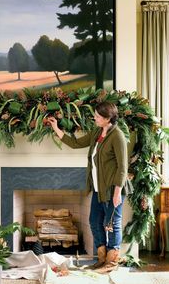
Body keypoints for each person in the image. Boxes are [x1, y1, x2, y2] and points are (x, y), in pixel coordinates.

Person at [48, 101, 128, 273]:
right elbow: (76, 143)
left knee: (112, 224)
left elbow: (123, 167)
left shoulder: (117, 136)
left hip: (113, 190)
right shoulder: (97, 132)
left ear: (108, 119)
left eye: (98, 116)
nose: (95, 118)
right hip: (98, 190)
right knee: (94, 221)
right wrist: (56, 128)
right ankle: (101, 258)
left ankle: (111, 263)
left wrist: (117, 192)